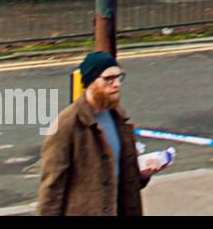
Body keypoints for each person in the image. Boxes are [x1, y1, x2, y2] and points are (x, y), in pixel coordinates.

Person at [37, 52, 163, 216]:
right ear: (90, 82)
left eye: (119, 77)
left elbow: (121, 179)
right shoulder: (67, 125)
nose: (116, 84)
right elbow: (52, 187)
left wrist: (143, 174)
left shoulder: (119, 118)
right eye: (108, 79)